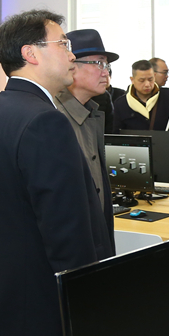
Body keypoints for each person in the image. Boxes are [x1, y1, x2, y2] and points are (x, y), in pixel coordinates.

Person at [0, 10, 114, 336]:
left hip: (12, 297)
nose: (71, 54)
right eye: (63, 44)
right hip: (43, 304)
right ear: (31, 53)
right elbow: (65, 227)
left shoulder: (3, 108)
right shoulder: (44, 120)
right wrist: (83, 299)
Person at [55, 29, 119, 229]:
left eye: (107, 65)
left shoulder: (93, 112)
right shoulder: (54, 118)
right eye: (98, 64)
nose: (105, 72)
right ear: (71, 65)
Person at [115, 59, 169, 131]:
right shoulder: (121, 103)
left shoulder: (168, 96)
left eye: (150, 79)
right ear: (132, 80)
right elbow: (116, 132)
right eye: (142, 80)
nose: (147, 84)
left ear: (154, 76)